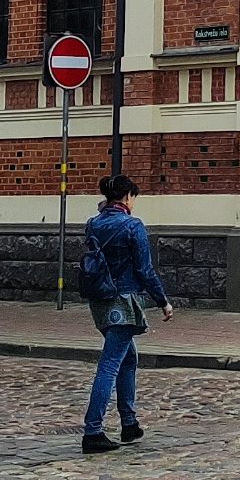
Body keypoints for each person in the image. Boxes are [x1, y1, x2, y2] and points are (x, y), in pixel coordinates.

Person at [78, 171, 173, 453]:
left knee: (128, 358)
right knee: (110, 364)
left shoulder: (93, 223)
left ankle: (129, 422)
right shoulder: (133, 226)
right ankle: (93, 431)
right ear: (128, 196)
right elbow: (145, 270)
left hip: (100, 299)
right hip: (124, 300)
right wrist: (163, 301)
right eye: (133, 197)